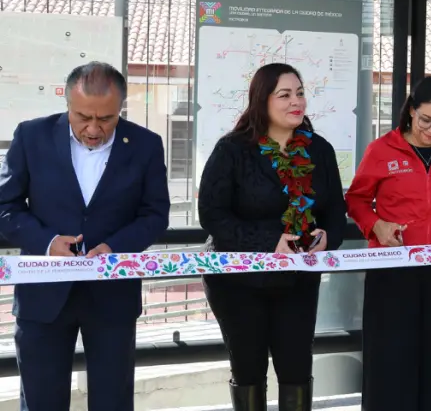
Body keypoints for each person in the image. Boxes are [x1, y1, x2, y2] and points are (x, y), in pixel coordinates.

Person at [0, 62, 170, 411]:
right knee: (41, 402)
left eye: (106, 119)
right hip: (43, 297)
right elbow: (6, 207)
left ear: (121, 107)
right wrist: (47, 243)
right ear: (66, 102)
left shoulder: (146, 145)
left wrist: (115, 248)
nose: (93, 128)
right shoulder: (31, 136)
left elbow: (155, 215)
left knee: (113, 401)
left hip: (112, 297)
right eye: (83, 117)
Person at [198, 63, 348, 411]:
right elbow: (212, 215)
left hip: (297, 281)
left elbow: (335, 213)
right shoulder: (232, 150)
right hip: (239, 282)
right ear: (261, 100)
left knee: (296, 367)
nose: (296, 101)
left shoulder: (319, 150)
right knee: (249, 369)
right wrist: (270, 241)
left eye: (299, 93)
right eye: (285, 95)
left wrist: (327, 236)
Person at [347, 76, 431, 411]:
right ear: (411, 111)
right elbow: (357, 201)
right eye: (426, 120)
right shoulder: (382, 150)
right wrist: (377, 225)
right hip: (392, 270)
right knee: (391, 362)